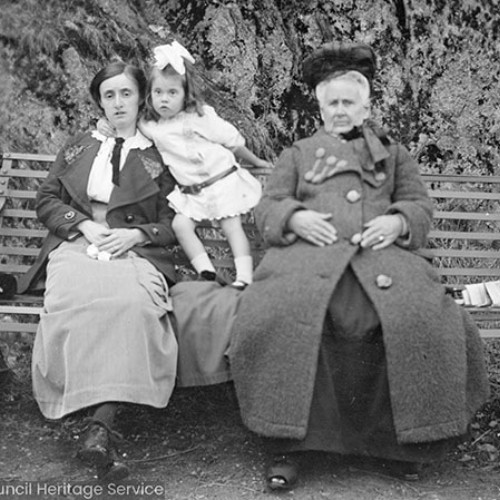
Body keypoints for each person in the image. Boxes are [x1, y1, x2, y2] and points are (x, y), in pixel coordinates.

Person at [229, 42, 490, 491]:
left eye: (350, 101)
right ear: (320, 107)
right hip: (306, 262)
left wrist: (397, 221)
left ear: (367, 106)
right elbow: (265, 208)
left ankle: (397, 446)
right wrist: (295, 216)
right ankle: (291, 446)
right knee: (289, 314)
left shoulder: (392, 154)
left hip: (381, 261)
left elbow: (419, 206)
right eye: (332, 103)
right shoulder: (298, 153)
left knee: (413, 317)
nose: (341, 110)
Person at [18, 61, 179, 481]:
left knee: (131, 304)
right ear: (99, 102)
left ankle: (100, 426)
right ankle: (95, 420)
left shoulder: (157, 152)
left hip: (134, 251)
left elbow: (174, 217)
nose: (118, 102)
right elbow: (46, 199)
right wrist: (82, 223)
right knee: (77, 300)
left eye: (126, 93)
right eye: (109, 95)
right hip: (77, 244)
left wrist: (139, 235)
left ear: (141, 97)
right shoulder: (79, 147)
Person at [99, 41, 273, 289]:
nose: (164, 100)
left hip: (221, 181)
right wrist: (102, 124)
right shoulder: (150, 125)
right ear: (149, 94)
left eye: (172, 93)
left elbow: (232, 141)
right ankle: (206, 271)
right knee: (180, 225)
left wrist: (255, 161)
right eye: (158, 92)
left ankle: (244, 277)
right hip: (193, 191)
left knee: (231, 226)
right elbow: (124, 120)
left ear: (186, 94)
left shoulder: (200, 117)